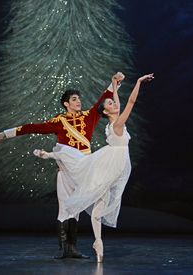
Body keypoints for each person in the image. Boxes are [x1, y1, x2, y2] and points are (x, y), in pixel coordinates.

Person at [0, 73, 124, 259]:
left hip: (85, 170)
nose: (78, 101)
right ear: (66, 104)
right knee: (65, 209)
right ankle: (66, 249)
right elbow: (32, 127)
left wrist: (114, 83)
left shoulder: (89, 116)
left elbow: (103, 99)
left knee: (77, 210)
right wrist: (6, 134)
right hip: (67, 171)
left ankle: (73, 249)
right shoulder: (59, 122)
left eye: (79, 98)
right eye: (74, 99)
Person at [33, 72, 154, 262]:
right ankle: (50, 155)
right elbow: (130, 103)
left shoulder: (114, 120)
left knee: (97, 209)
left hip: (110, 161)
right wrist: (138, 82)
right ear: (106, 112)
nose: (115, 104)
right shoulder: (118, 124)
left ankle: (98, 242)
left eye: (114, 104)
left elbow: (119, 102)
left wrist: (114, 84)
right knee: (96, 200)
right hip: (111, 164)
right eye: (111, 105)